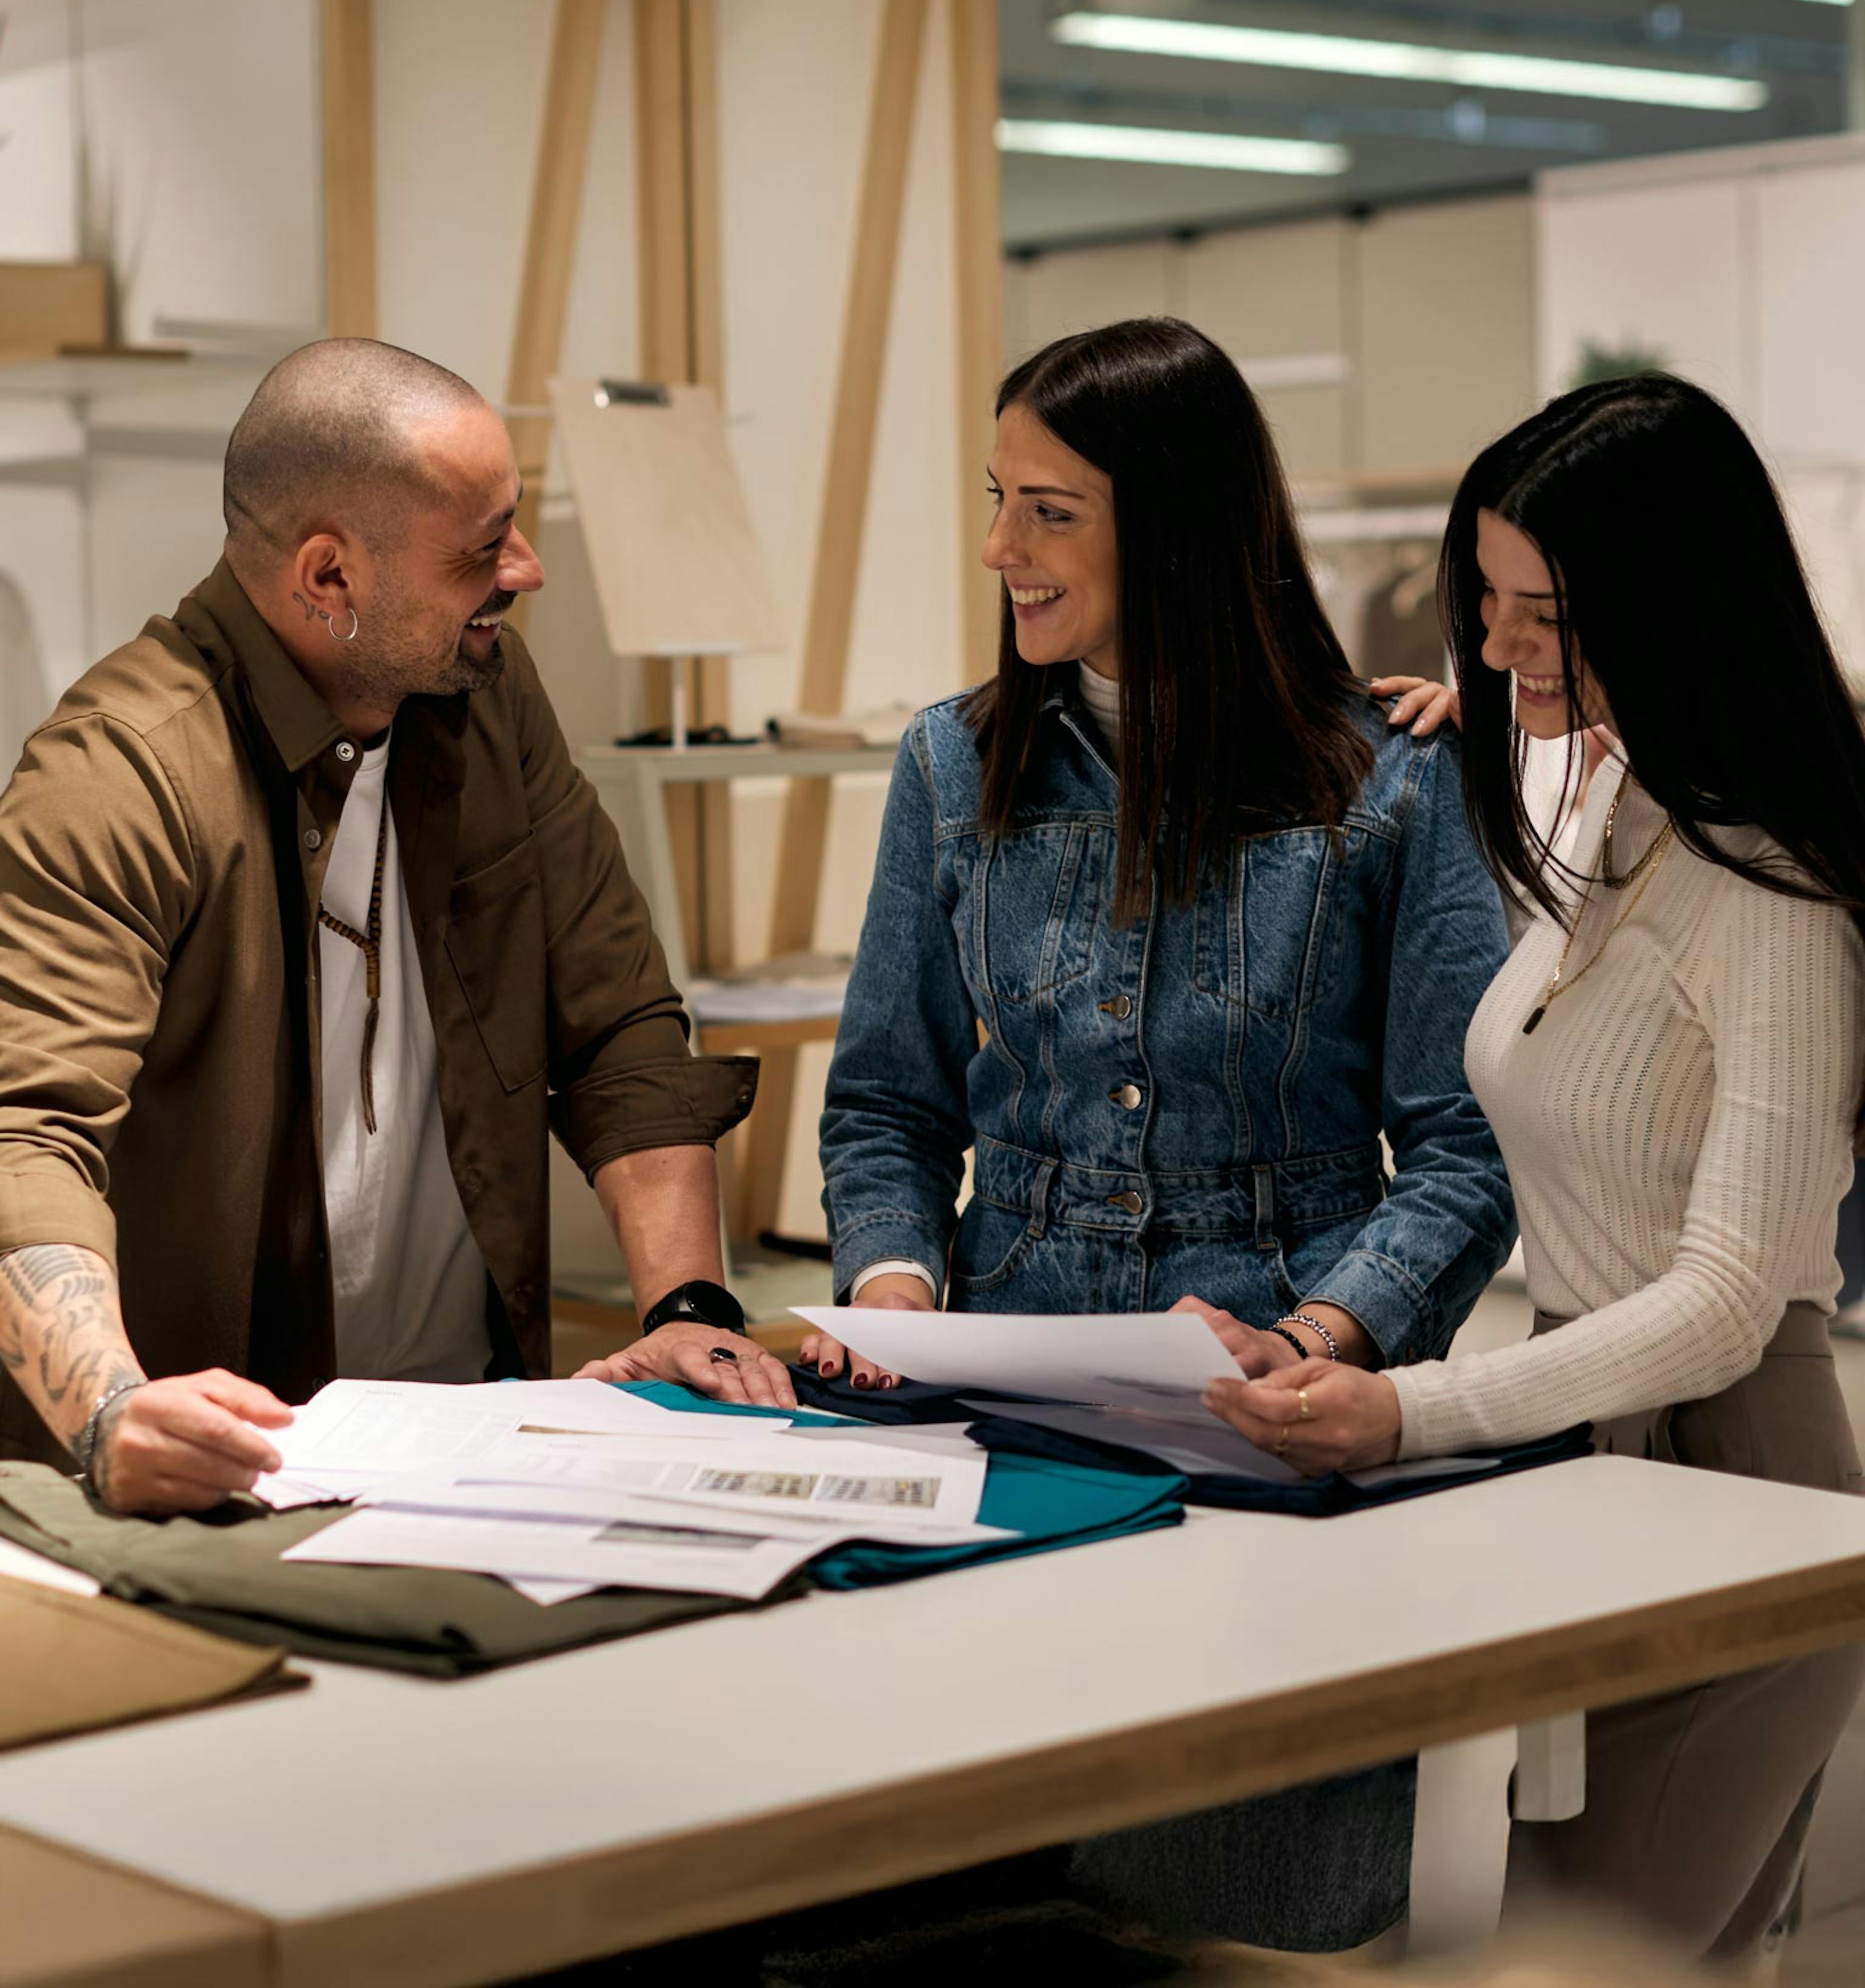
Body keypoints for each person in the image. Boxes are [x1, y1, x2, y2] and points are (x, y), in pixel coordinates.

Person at [810, 316, 1518, 1951]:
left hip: (1276, 1435)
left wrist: (1327, 1333)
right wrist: (897, 1287)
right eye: (997, 501)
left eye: (1049, 510)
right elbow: (889, 1103)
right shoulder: (951, 762)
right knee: (972, 1915)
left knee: (1233, 1921)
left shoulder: (1390, 784)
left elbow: (1469, 1152)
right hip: (995, 1427)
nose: (1001, 551)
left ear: (1176, 523)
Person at [1206, 372, 1865, 1962]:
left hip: (1733, 1477)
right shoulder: (1627, 811)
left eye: (1539, 613)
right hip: (1608, 1455)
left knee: (1591, 1954)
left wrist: (1406, 1410)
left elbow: (1719, 1304)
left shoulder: (1766, 885)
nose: (1496, 648)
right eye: (1486, 603)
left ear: (1672, 605)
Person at [0, 338, 795, 1518]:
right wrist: (114, 1410)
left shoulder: (487, 702)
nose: (525, 570)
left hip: (476, 1430)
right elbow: (26, 1136)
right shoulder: (122, 775)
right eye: (481, 549)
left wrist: (689, 1314)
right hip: (219, 1465)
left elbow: (620, 1027)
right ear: (329, 577)